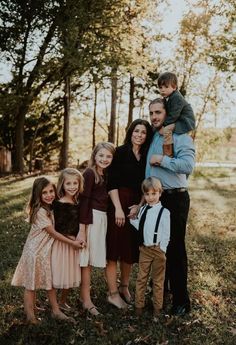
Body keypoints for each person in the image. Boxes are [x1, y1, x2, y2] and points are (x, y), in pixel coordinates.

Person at [146, 98, 195, 316]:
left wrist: (163, 161)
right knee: (157, 248)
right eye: (151, 113)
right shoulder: (154, 137)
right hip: (156, 200)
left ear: (168, 113)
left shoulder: (181, 137)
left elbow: (188, 166)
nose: (154, 117)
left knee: (175, 249)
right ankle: (159, 294)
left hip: (176, 199)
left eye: (158, 112)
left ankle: (181, 301)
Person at [11, 177, 82, 324]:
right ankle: (30, 315)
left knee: (41, 281)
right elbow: (53, 233)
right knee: (31, 284)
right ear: (38, 195)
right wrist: (72, 243)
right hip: (35, 252)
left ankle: (42, 308)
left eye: (51, 191)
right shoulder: (40, 212)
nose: (49, 195)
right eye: (45, 193)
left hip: (44, 251)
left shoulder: (51, 207)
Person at [106, 119, 153, 309]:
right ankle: (112, 293)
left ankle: (124, 287)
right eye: (136, 131)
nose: (139, 135)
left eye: (143, 132)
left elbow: (146, 185)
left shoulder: (146, 155)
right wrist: (118, 208)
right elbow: (112, 183)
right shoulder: (121, 152)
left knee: (129, 250)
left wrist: (139, 206)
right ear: (130, 132)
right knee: (114, 250)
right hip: (118, 202)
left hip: (136, 206)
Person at [79, 142, 116, 316]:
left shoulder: (106, 174)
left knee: (92, 260)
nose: (104, 159)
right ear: (94, 156)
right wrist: (82, 229)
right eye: (101, 155)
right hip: (91, 219)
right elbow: (84, 202)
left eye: (109, 156)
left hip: (101, 219)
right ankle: (86, 299)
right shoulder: (89, 173)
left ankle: (86, 297)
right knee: (86, 262)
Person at [130, 177, 170, 317]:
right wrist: (132, 219)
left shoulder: (164, 212)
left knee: (158, 281)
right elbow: (141, 227)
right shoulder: (142, 210)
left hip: (158, 250)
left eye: (154, 194)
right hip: (144, 250)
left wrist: (162, 249)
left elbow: (166, 233)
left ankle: (157, 309)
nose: (151, 197)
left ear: (160, 193)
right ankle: (138, 306)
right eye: (147, 194)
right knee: (141, 278)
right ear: (144, 195)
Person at [51, 168, 85, 312]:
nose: (72, 187)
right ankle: (53, 303)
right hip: (62, 244)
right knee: (58, 274)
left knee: (70, 274)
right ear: (62, 185)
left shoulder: (78, 202)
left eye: (75, 183)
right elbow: (55, 228)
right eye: (68, 184)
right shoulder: (58, 204)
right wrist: (70, 241)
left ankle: (62, 301)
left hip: (74, 245)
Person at [155, 72, 195, 158]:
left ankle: (168, 154)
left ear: (174, 87)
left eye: (166, 87)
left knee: (166, 130)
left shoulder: (177, 97)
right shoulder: (168, 98)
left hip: (185, 121)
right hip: (178, 119)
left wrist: (164, 125)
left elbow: (173, 115)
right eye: (160, 87)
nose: (162, 90)